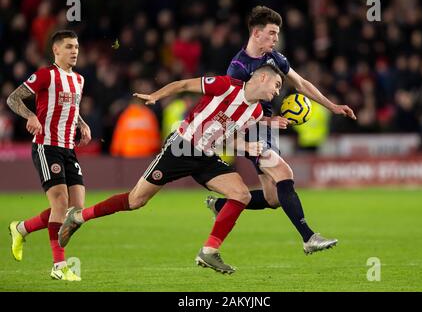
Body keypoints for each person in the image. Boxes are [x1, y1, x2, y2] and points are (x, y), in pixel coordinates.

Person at [58, 64, 284, 274]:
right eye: (277, 85)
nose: (277, 91)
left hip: (205, 155)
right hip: (181, 147)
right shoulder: (226, 86)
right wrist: (156, 95)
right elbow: (184, 84)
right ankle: (78, 216)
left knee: (241, 194)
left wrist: (246, 145)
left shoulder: (254, 113)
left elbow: (226, 136)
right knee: (136, 200)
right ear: (263, 77)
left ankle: (209, 251)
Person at [206, 6, 357, 254]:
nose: (276, 39)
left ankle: (221, 205)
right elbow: (234, 111)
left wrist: (332, 105)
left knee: (273, 198)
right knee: (284, 173)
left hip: (266, 129)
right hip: (251, 131)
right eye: (272, 33)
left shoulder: (274, 58)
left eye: (277, 34)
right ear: (256, 33)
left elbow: (300, 83)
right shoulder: (238, 68)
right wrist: (267, 122)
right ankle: (309, 237)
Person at [6, 30, 90, 281]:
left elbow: (71, 108)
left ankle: (21, 228)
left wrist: (82, 124)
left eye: (76, 46)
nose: (74, 51)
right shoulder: (45, 75)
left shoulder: (79, 80)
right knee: (60, 204)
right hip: (46, 146)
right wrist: (31, 116)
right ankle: (58, 266)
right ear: (56, 50)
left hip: (68, 148)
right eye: (68, 47)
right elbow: (13, 98)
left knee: (76, 211)